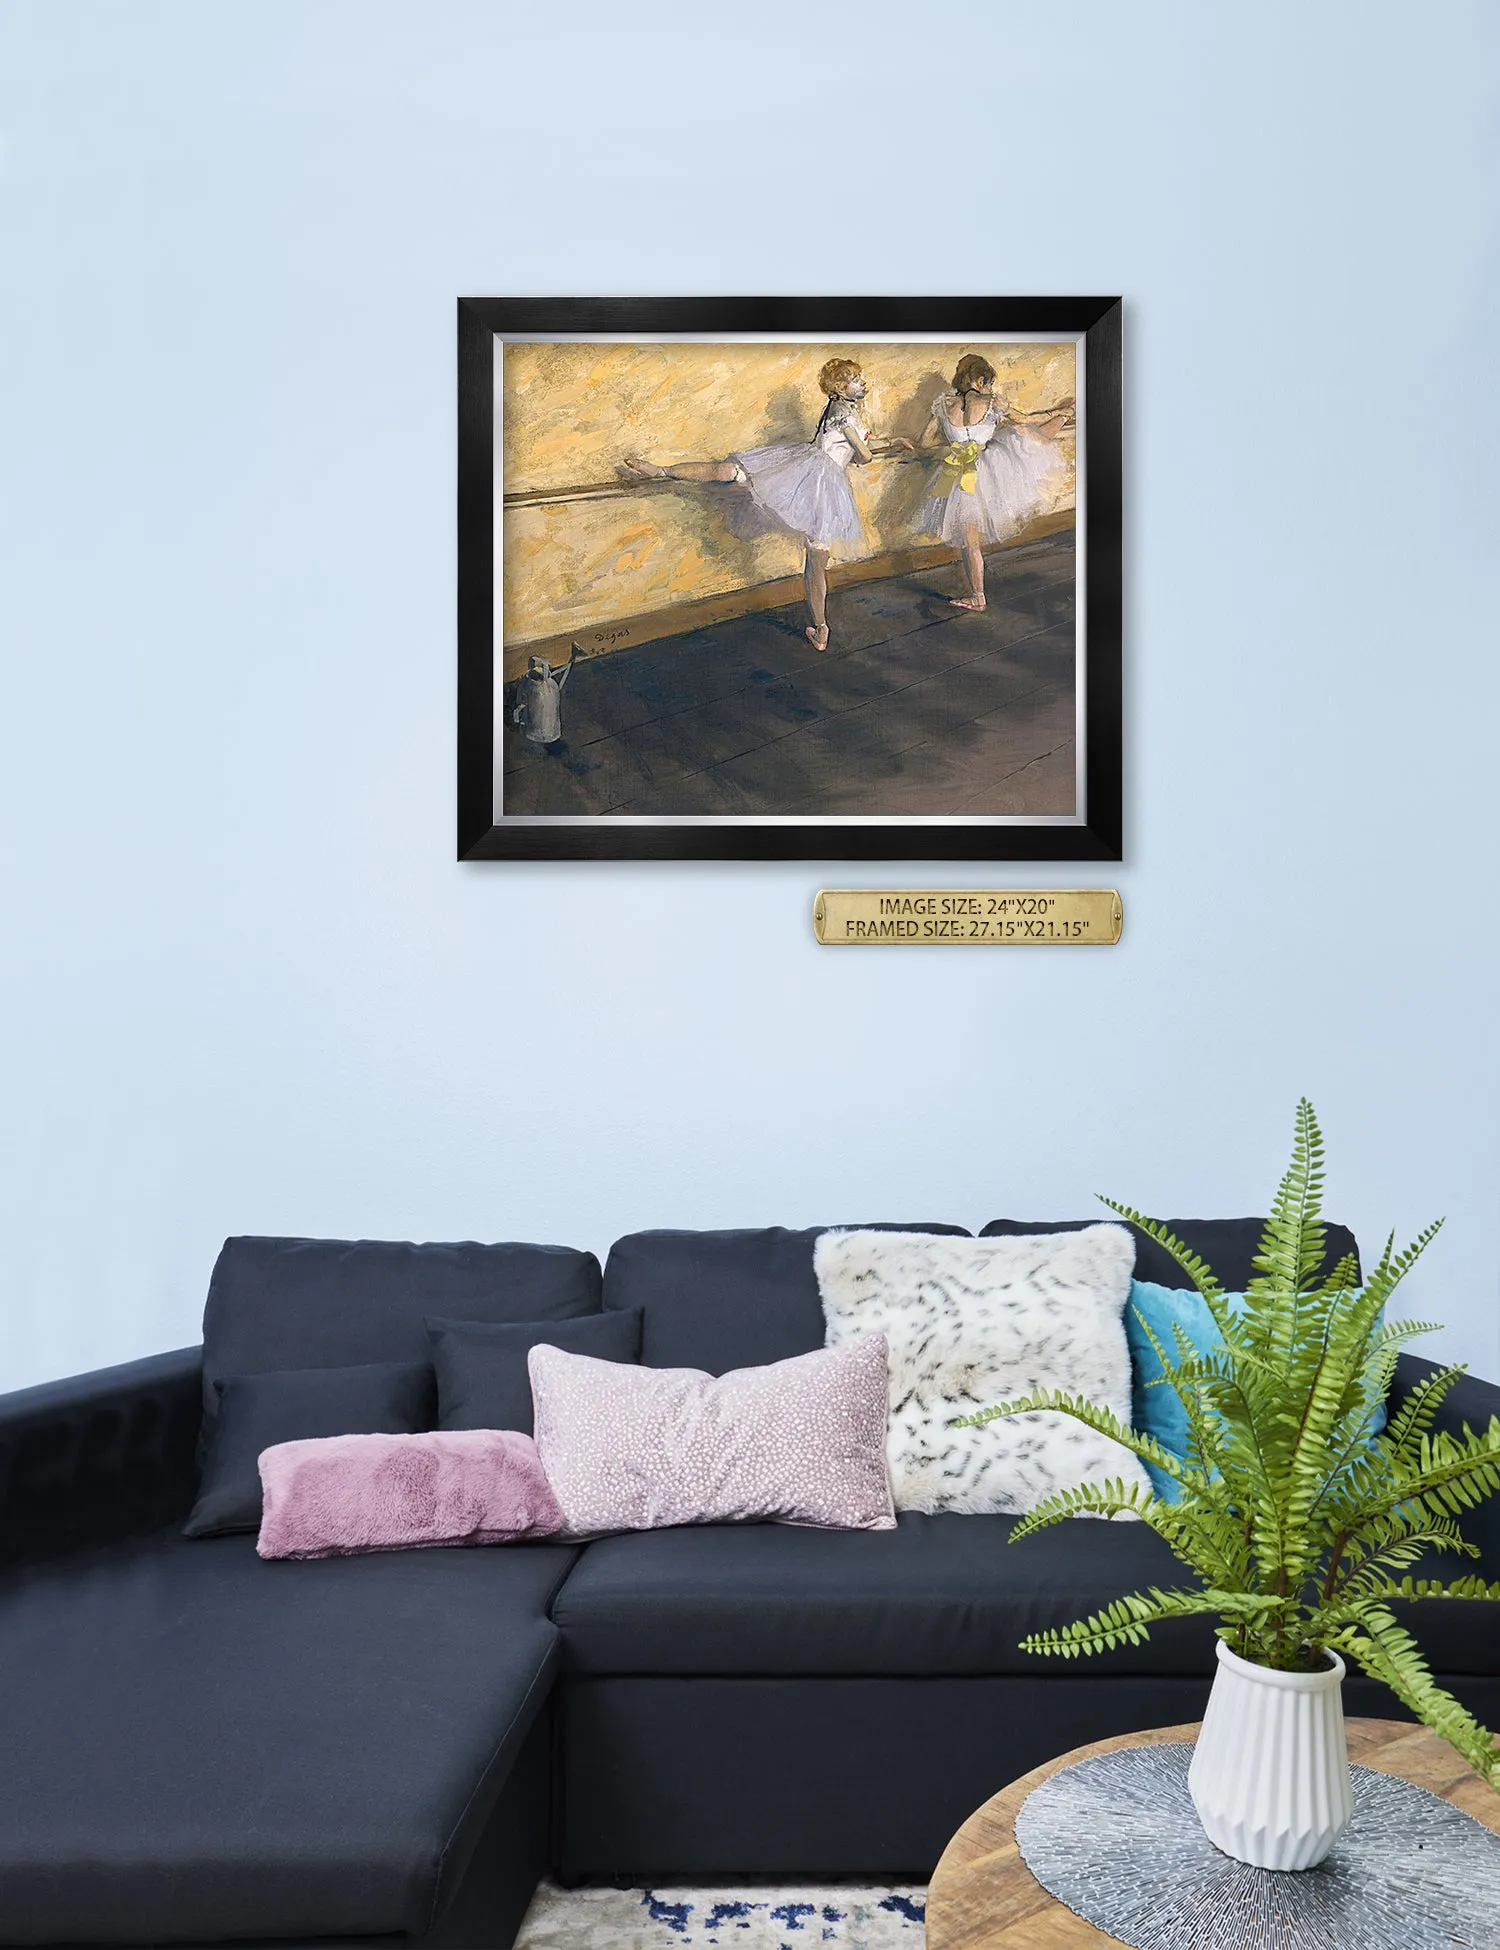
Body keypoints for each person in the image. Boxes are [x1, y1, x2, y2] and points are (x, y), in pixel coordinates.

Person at [623, 358, 912, 652]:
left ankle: (661, 470)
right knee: (814, 561)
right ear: (840, 388)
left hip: (817, 480)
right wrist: (868, 447)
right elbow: (863, 457)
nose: (863, 383)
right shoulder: (844, 414)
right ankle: (821, 629)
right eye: (857, 379)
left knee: (731, 473)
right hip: (816, 481)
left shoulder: (844, 410)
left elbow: (849, 447)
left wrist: (893, 440)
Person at [915, 355, 1066, 611]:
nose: (990, 388)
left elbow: (924, 443)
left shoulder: (943, 405)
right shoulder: (993, 402)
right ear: (981, 380)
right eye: (989, 383)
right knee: (1029, 438)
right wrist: (1055, 413)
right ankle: (1066, 415)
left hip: (957, 470)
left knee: (970, 541)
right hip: (986, 468)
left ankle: (977, 594)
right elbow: (1027, 420)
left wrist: (957, 445)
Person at [512, 644, 578, 750]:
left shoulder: (532, 685)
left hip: (533, 731)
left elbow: (520, 703)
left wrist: (517, 719)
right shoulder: (549, 685)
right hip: (550, 732)